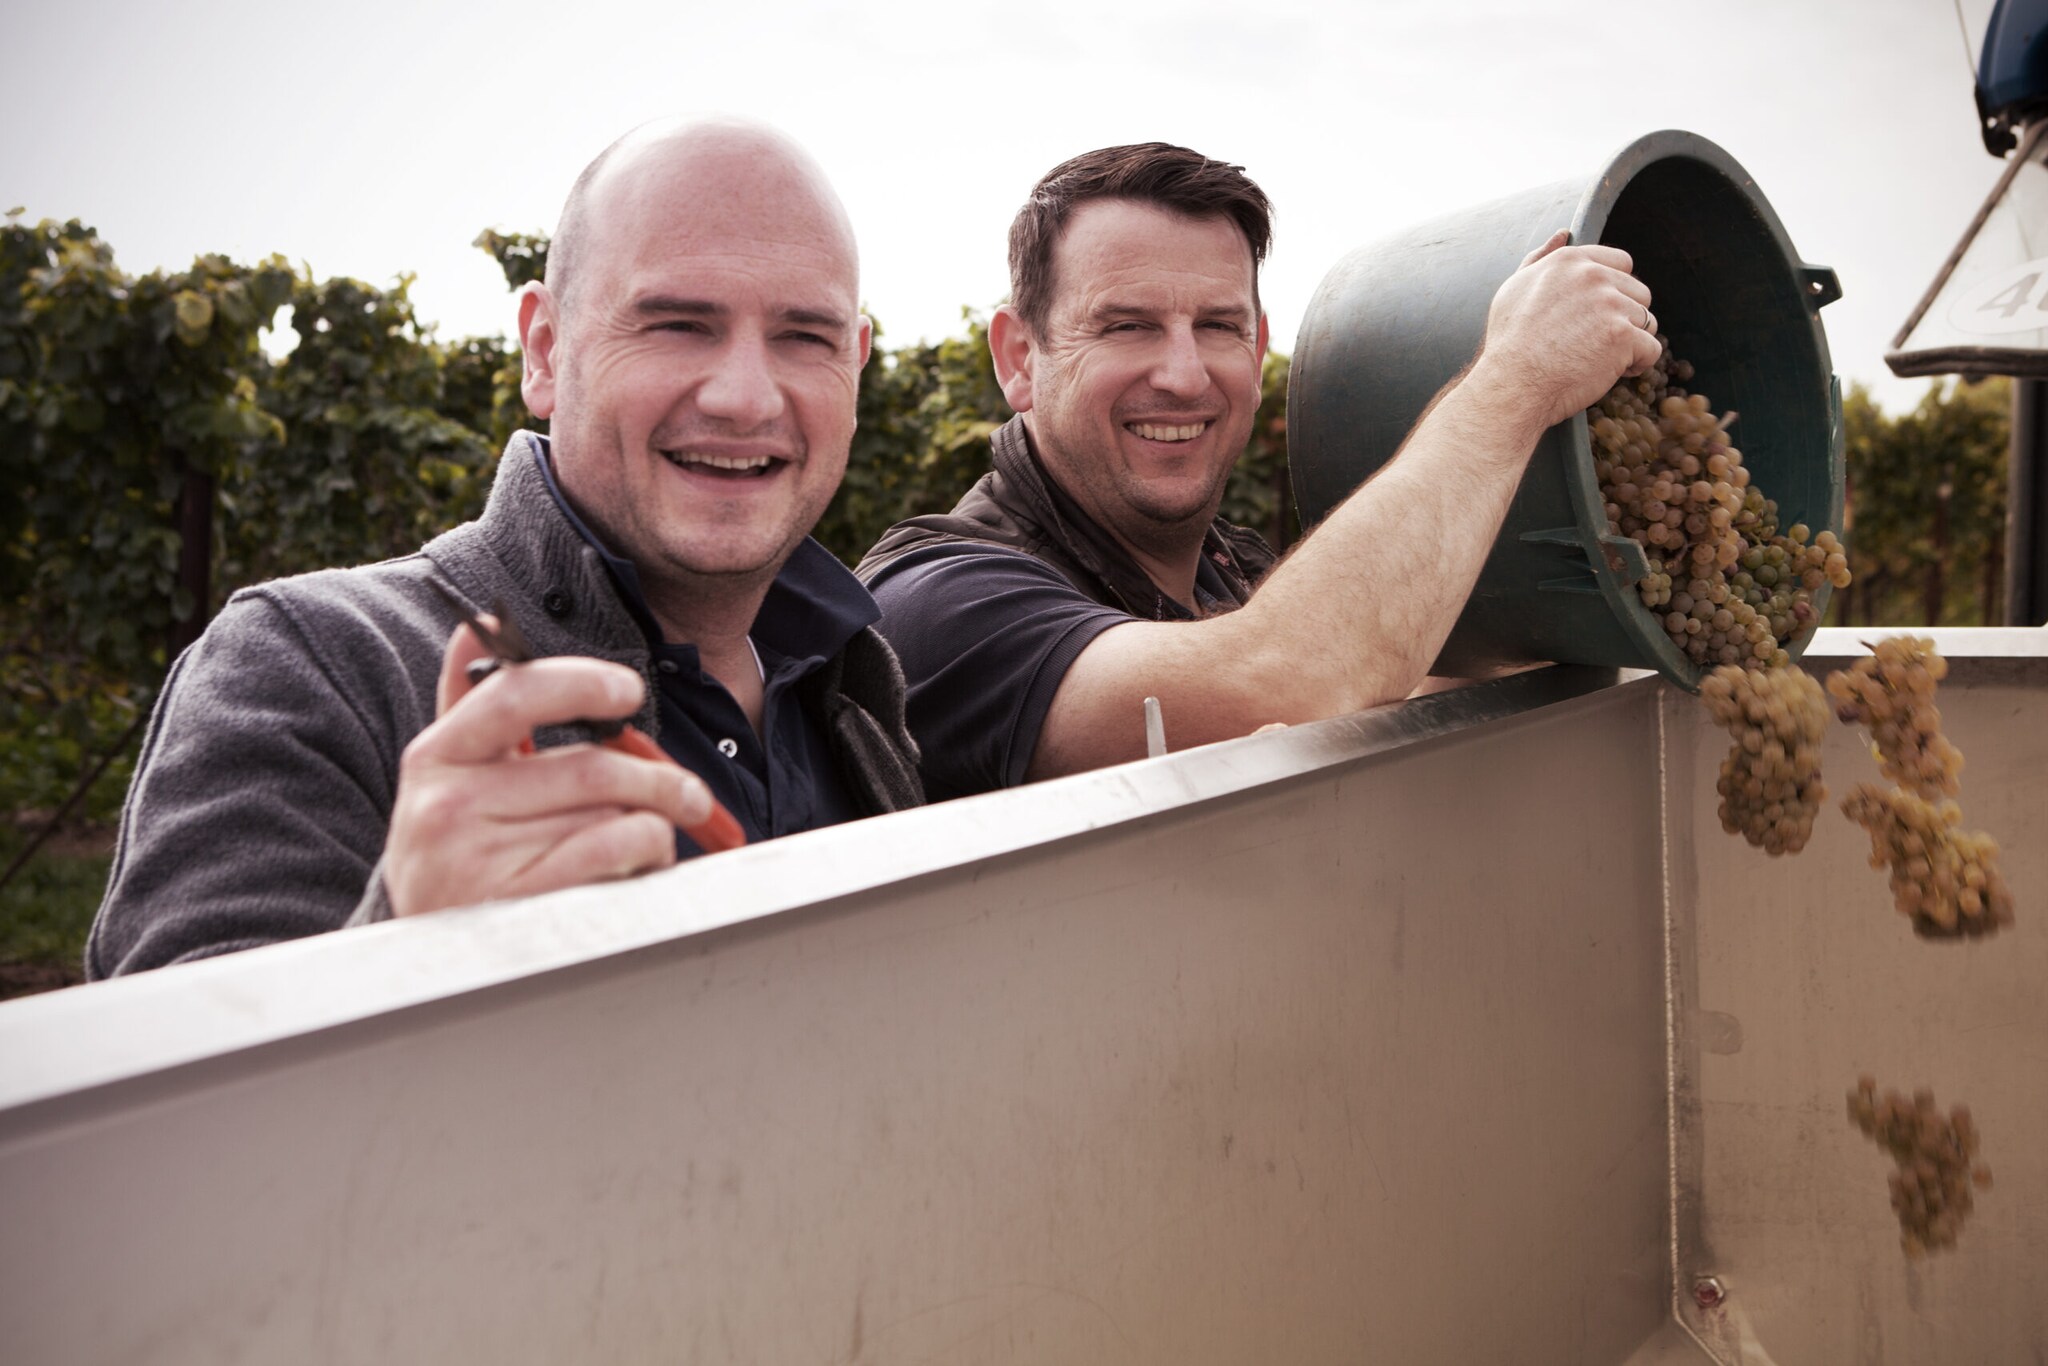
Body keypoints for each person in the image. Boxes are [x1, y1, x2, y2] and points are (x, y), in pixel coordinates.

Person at [87, 119, 923, 978]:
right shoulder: (310, 664)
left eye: (805, 337)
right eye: (677, 324)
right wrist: (408, 941)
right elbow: (176, 1102)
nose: (746, 397)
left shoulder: (857, 680)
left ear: (854, 366)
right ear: (544, 349)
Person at [857, 142, 1660, 800]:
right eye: (1127, 325)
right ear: (1020, 357)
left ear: (1258, 343)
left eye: (1218, 326)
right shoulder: (938, 603)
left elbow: (1396, 695)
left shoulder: (1239, 574)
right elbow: (1285, 680)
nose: (1182, 374)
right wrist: (1514, 382)